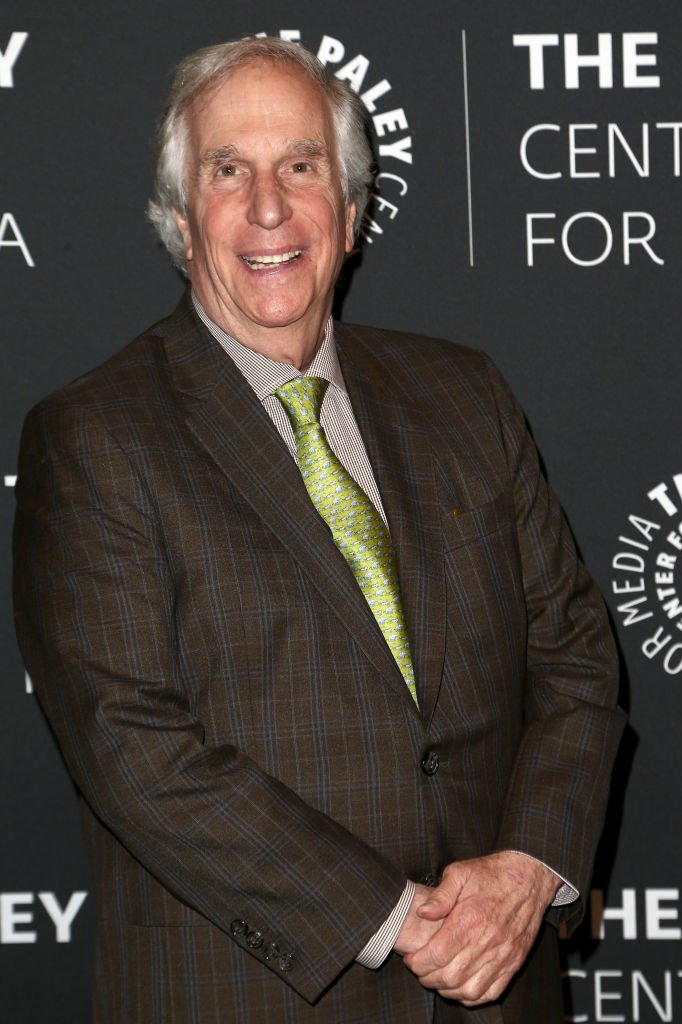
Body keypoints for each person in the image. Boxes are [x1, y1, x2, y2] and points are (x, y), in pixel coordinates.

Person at [13, 36, 624, 1023]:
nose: (268, 207)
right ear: (179, 217)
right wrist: (396, 918)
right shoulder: (95, 434)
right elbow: (132, 747)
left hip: (503, 993)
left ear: (350, 208)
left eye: (300, 165)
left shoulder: (463, 393)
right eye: (228, 171)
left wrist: (528, 868)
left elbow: (576, 657)